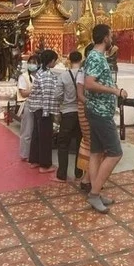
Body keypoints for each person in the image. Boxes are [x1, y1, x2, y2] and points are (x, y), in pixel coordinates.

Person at [84, 24, 127, 213]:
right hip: (100, 113)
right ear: (104, 38)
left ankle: (96, 191)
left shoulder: (99, 57)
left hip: (97, 110)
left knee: (96, 152)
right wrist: (115, 90)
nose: (113, 39)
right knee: (115, 153)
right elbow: (89, 84)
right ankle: (94, 194)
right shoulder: (95, 57)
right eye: (111, 35)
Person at [27, 50, 60, 174]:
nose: (55, 63)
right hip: (43, 108)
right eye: (55, 60)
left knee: (37, 134)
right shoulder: (46, 75)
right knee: (45, 136)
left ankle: (34, 160)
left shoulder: (40, 72)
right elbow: (46, 94)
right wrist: (47, 112)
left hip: (36, 107)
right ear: (51, 61)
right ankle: (45, 165)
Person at [54, 51, 84, 182]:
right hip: (82, 113)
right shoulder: (84, 75)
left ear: (69, 60)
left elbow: (58, 95)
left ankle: (62, 174)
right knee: (80, 143)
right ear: (81, 60)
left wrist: (62, 105)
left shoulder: (64, 76)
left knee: (63, 144)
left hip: (67, 112)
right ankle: (79, 173)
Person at [75, 48, 93, 192]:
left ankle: (90, 177)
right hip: (87, 109)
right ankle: (88, 178)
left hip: (90, 108)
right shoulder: (83, 71)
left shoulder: (91, 68)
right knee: (92, 143)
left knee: (95, 144)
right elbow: (80, 94)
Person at [17, 55, 39, 161]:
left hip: (38, 105)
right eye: (31, 62)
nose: (32, 64)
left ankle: (34, 154)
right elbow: (23, 93)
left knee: (36, 131)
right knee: (27, 130)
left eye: (35, 62)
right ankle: (25, 154)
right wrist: (35, 90)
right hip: (28, 104)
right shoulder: (24, 76)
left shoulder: (40, 76)